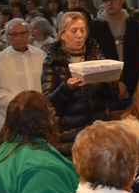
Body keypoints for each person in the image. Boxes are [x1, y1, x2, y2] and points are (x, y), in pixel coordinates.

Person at [42, 12, 113, 155]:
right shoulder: (53, 61)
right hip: (69, 134)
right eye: (74, 31)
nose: (79, 35)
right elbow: (48, 101)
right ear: (62, 34)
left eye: (83, 30)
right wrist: (67, 87)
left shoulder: (95, 54)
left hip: (99, 129)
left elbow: (112, 96)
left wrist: (110, 82)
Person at [0, 18, 45, 136]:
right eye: (14, 34)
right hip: (11, 119)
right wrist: (19, 103)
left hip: (38, 117)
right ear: (7, 37)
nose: (19, 37)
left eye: (23, 33)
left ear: (29, 34)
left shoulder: (41, 56)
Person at [89, 0, 139, 104]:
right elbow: (95, 59)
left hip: (131, 87)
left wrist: (125, 84)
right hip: (105, 90)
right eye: (105, 1)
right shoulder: (95, 27)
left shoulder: (135, 26)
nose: (109, 3)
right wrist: (114, 86)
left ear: (121, 0)